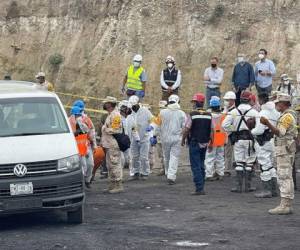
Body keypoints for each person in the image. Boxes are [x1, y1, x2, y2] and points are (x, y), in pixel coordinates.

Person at [260, 93, 297, 214]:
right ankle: (286, 204)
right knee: (285, 175)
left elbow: (280, 132)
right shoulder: (288, 115)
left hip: (284, 150)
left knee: (284, 176)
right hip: (285, 150)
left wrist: (267, 123)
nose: (276, 104)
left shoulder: (286, 117)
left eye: (277, 102)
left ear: (283, 103)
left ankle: (285, 205)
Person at [222, 90, 259, 193]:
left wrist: (235, 129)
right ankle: (248, 186)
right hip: (250, 140)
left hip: (238, 140)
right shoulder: (254, 112)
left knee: (239, 163)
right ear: (249, 100)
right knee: (249, 163)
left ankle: (238, 187)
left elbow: (224, 125)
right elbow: (259, 127)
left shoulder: (233, 112)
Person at [150, 95, 186, 184]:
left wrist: (154, 135)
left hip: (164, 139)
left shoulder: (162, 113)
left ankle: (167, 172)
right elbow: (185, 127)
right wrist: (184, 137)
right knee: (174, 157)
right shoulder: (181, 113)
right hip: (176, 139)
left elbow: (157, 125)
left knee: (166, 156)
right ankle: (171, 176)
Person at [182, 93, 212, 195]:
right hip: (204, 142)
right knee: (201, 164)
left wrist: (183, 139)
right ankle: (201, 185)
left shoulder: (193, 114)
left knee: (195, 165)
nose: (193, 104)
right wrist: (211, 142)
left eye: (194, 102)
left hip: (194, 142)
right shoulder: (209, 115)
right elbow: (212, 130)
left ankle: (199, 188)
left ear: (198, 102)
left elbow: (186, 129)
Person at [252, 93, 280, 198]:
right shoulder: (275, 111)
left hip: (262, 141)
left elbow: (259, 130)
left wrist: (252, 131)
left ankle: (267, 190)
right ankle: (274, 190)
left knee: (264, 166)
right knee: (270, 165)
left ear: (261, 99)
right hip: (272, 140)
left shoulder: (262, 112)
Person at [126, 95, 153, 180]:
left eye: (134, 106)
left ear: (138, 104)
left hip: (144, 137)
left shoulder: (145, 111)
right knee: (134, 156)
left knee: (144, 157)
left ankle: (145, 173)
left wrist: (151, 128)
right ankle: (135, 172)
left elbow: (154, 121)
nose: (132, 108)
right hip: (134, 139)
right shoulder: (131, 113)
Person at [101, 96, 124, 193]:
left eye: (106, 103)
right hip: (108, 144)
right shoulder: (110, 114)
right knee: (110, 165)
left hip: (113, 144)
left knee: (115, 164)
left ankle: (118, 185)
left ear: (110, 104)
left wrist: (105, 129)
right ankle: (112, 185)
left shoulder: (115, 115)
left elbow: (116, 130)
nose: (104, 105)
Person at [69, 106, 93, 188]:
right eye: (77, 115)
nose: (78, 117)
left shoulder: (83, 123)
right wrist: (75, 133)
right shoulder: (68, 123)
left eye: (79, 115)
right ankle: (79, 184)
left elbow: (87, 133)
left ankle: (86, 181)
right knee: (82, 167)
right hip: (76, 150)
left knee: (89, 165)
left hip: (84, 148)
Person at [205, 97, 227, 181]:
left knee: (210, 157)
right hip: (221, 137)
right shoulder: (223, 115)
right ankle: (220, 173)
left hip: (212, 137)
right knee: (220, 156)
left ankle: (209, 174)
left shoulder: (209, 115)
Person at [223, 91, 236, 176]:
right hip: (224, 134)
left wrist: (230, 130)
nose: (226, 101)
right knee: (224, 153)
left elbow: (235, 125)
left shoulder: (234, 111)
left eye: (227, 100)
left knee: (228, 153)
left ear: (232, 100)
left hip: (230, 135)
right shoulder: (226, 110)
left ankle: (227, 169)